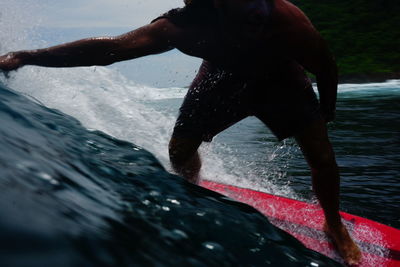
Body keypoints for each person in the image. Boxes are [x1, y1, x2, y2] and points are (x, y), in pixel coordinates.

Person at [0, 0, 361, 264]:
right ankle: (194, 192)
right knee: (179, 151)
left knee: (321, 155)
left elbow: (324, 63)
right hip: (221, 81)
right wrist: (27, 56)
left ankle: (334, 225)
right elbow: (110, 49)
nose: (253, 13)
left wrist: (326, 109)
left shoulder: (283, 17)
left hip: (282, 81)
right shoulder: (179, 27)